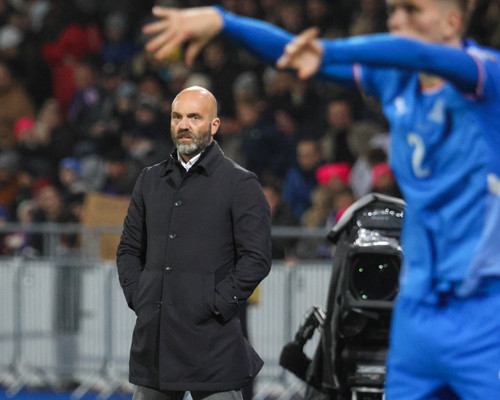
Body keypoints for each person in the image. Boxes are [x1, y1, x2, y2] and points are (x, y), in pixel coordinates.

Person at [141, 1, 500, 398]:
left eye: (412, 10)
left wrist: (329, 50)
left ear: (453, 21)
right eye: (393, 10)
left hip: (483, 309)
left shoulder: (487, 77)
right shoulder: (393, 79)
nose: (397, 20)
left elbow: (419, 53)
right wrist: (226, 22)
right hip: (417, 310)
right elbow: (292, 55)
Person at [116, 86, 272, 400]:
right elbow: (129, 250)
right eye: (177, 117)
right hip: (154, 342)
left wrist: (216, 303)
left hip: (213, 342)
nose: (184, 125)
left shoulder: (240, 183)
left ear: (214, 125)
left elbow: (256, 258)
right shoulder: (149, 180)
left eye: (194, 117)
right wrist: (140, 296)